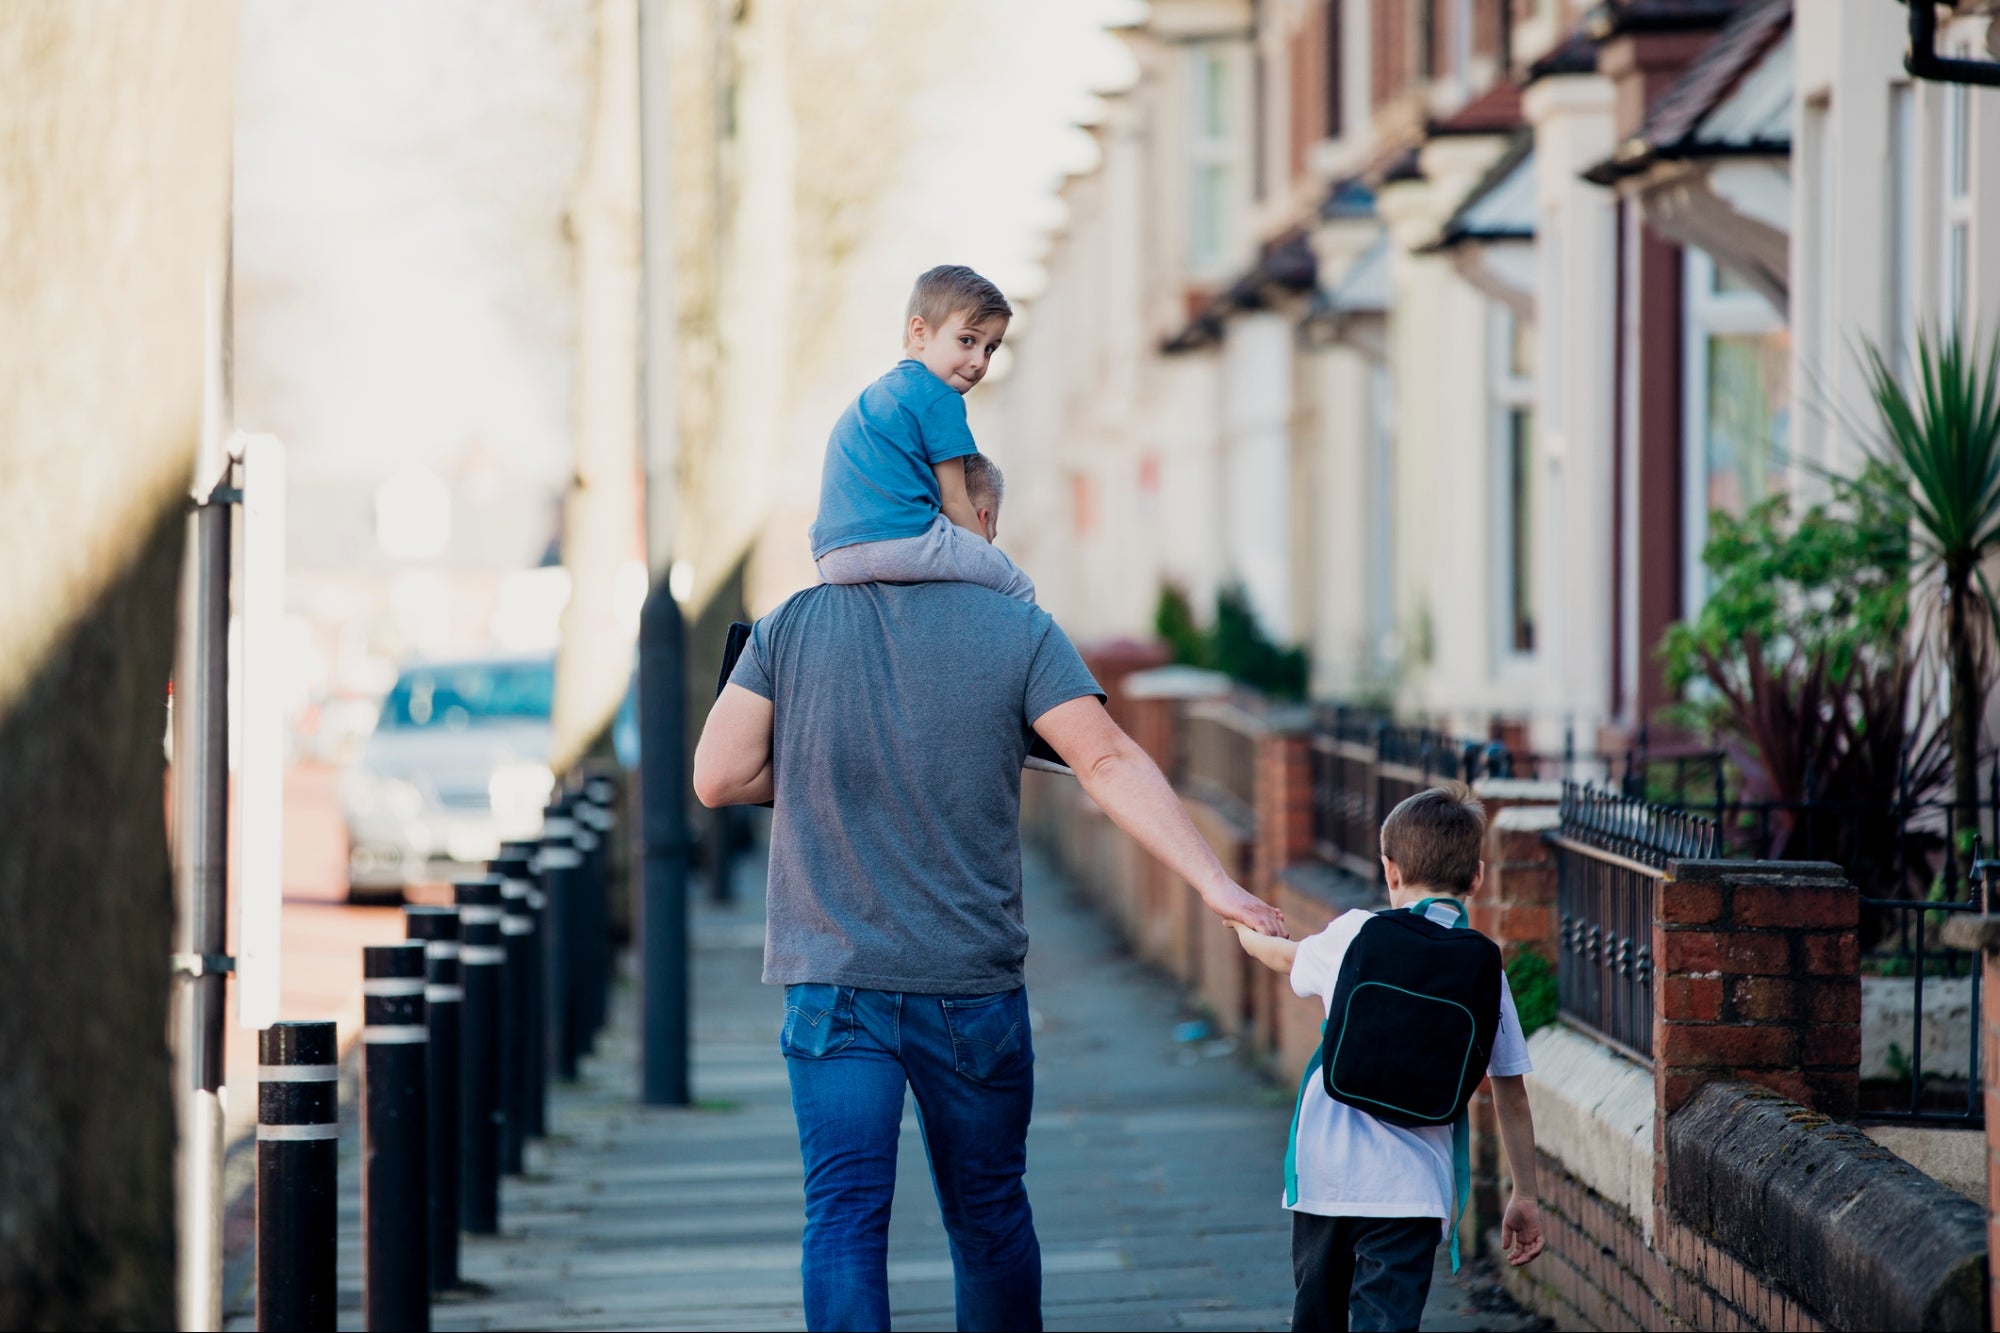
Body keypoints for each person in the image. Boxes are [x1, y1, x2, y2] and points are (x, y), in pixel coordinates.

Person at [692, 553, 1285, 1332]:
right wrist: (1217, 883)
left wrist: (820, 766)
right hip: (968, 987)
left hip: (833, 978)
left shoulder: (793, 624)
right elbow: (1104, 759)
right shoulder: (1019, 630)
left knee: (842, 1218)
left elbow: (717, 778)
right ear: (974, 521)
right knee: (989, 1217)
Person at [1233, 783, 1545, 1333]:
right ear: (1476, 877)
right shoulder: (1482, 969)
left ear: (1389, 869)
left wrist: (1240, 925)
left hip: (1326, 1176)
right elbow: (1510, 1092)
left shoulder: (1357, 932)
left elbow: (1280, 956)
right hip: (1412, 1194)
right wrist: (1524, 1194)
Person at [809, 263, 1036, 603]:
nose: (978, 361)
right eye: (967, 340)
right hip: (901, 540)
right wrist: (986, 561)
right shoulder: (939, 397)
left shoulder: (875, 396)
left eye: (990, 348)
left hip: (832, 557)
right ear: (919, 333)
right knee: (1016, 585)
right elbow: (956, 500)